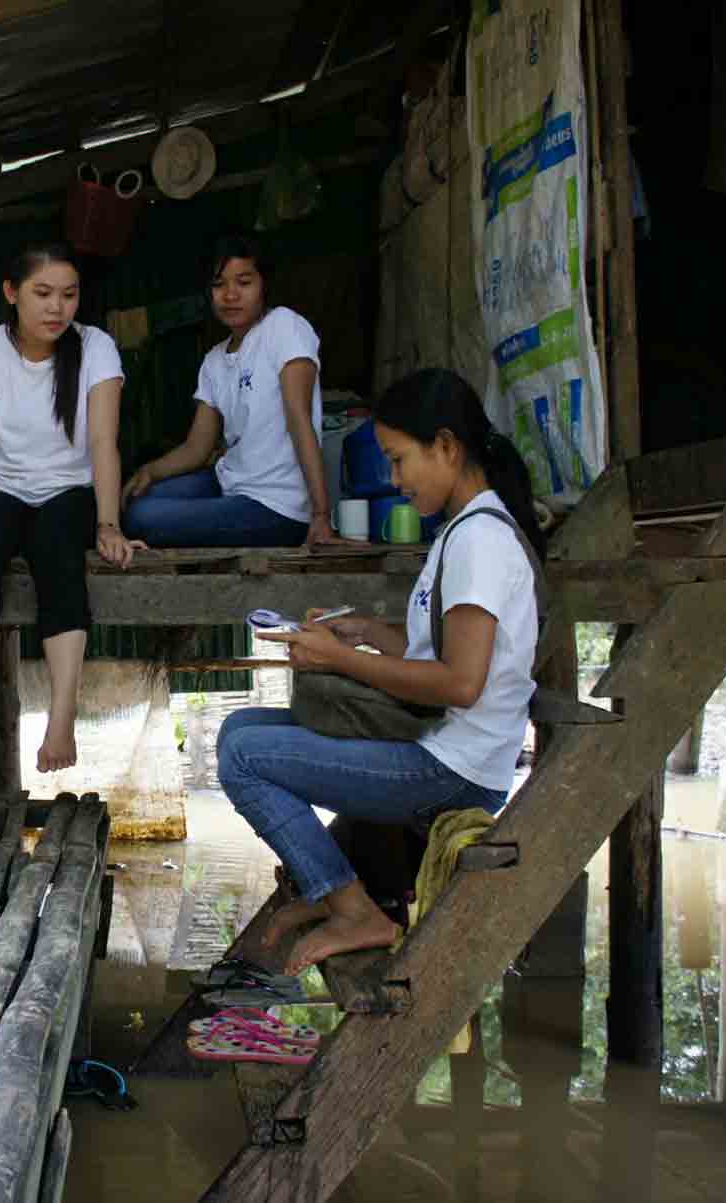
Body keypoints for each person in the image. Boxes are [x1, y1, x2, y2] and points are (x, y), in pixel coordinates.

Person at [216, 368, 543, 974]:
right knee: (237, 731)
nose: (393, 480)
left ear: (446, 447)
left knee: (242, 757)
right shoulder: (465, 531)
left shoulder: (480, 542)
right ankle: (330, 894)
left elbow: (460, 683)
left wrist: (338, 660)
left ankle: (350, 907)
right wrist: (364, 631)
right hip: (444, 748)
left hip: (453, 770)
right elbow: (436, 652)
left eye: (398, 460)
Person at [0, 241, 142, 774]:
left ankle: (63, 718)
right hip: (2, 487)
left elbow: (104, 442)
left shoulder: (98, 348)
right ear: (12, 294)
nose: (56, 307)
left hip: (69, 491)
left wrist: (109, 523)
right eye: (42, 293)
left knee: (59, 553)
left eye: (68, 295)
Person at [122, 233, 338, 548]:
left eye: (244, 282)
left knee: (144, 518)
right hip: (229, 485)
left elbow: (299, 417)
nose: (230, 295)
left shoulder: (284, 327)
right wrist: (149, 471)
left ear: (264, 285)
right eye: (219, 284)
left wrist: (320, 514)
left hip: (275, 505)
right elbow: (197, 448)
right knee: (138, 501)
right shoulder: (213, 361)